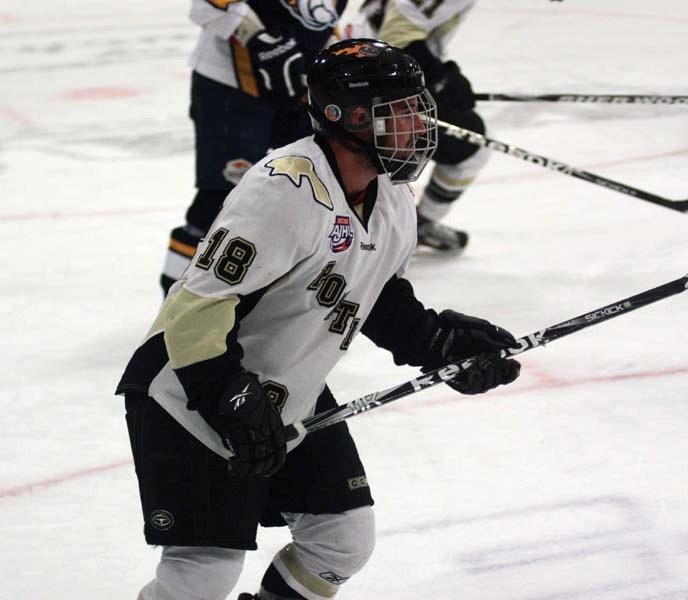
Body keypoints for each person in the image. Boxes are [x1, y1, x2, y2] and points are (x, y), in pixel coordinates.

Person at [117, 39, 521, 600]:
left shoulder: (393, 197)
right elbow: (194, 311)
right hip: (188, 393)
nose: (419, 125)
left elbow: (375, 295)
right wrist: (228, 396)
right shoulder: (283, 189)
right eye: (398, 113)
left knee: (341, 540)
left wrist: (440, 342)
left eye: (418, 109)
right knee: (204, 570)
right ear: (346, 118)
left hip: (285, 393)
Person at [161, 0, 348, 294]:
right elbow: (205, 6)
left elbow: (319, 17)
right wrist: (257, 36)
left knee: (315, 190)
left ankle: (275, 296)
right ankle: (174, 303)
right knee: (220, 201)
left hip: (299, 84)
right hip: (230, 86)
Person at [345, 0, 485, 252]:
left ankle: (411, 226)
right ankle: (397, 229)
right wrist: (440, 79)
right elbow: (397, 38)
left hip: (368, 72)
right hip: (371, 81)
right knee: (473, 144)